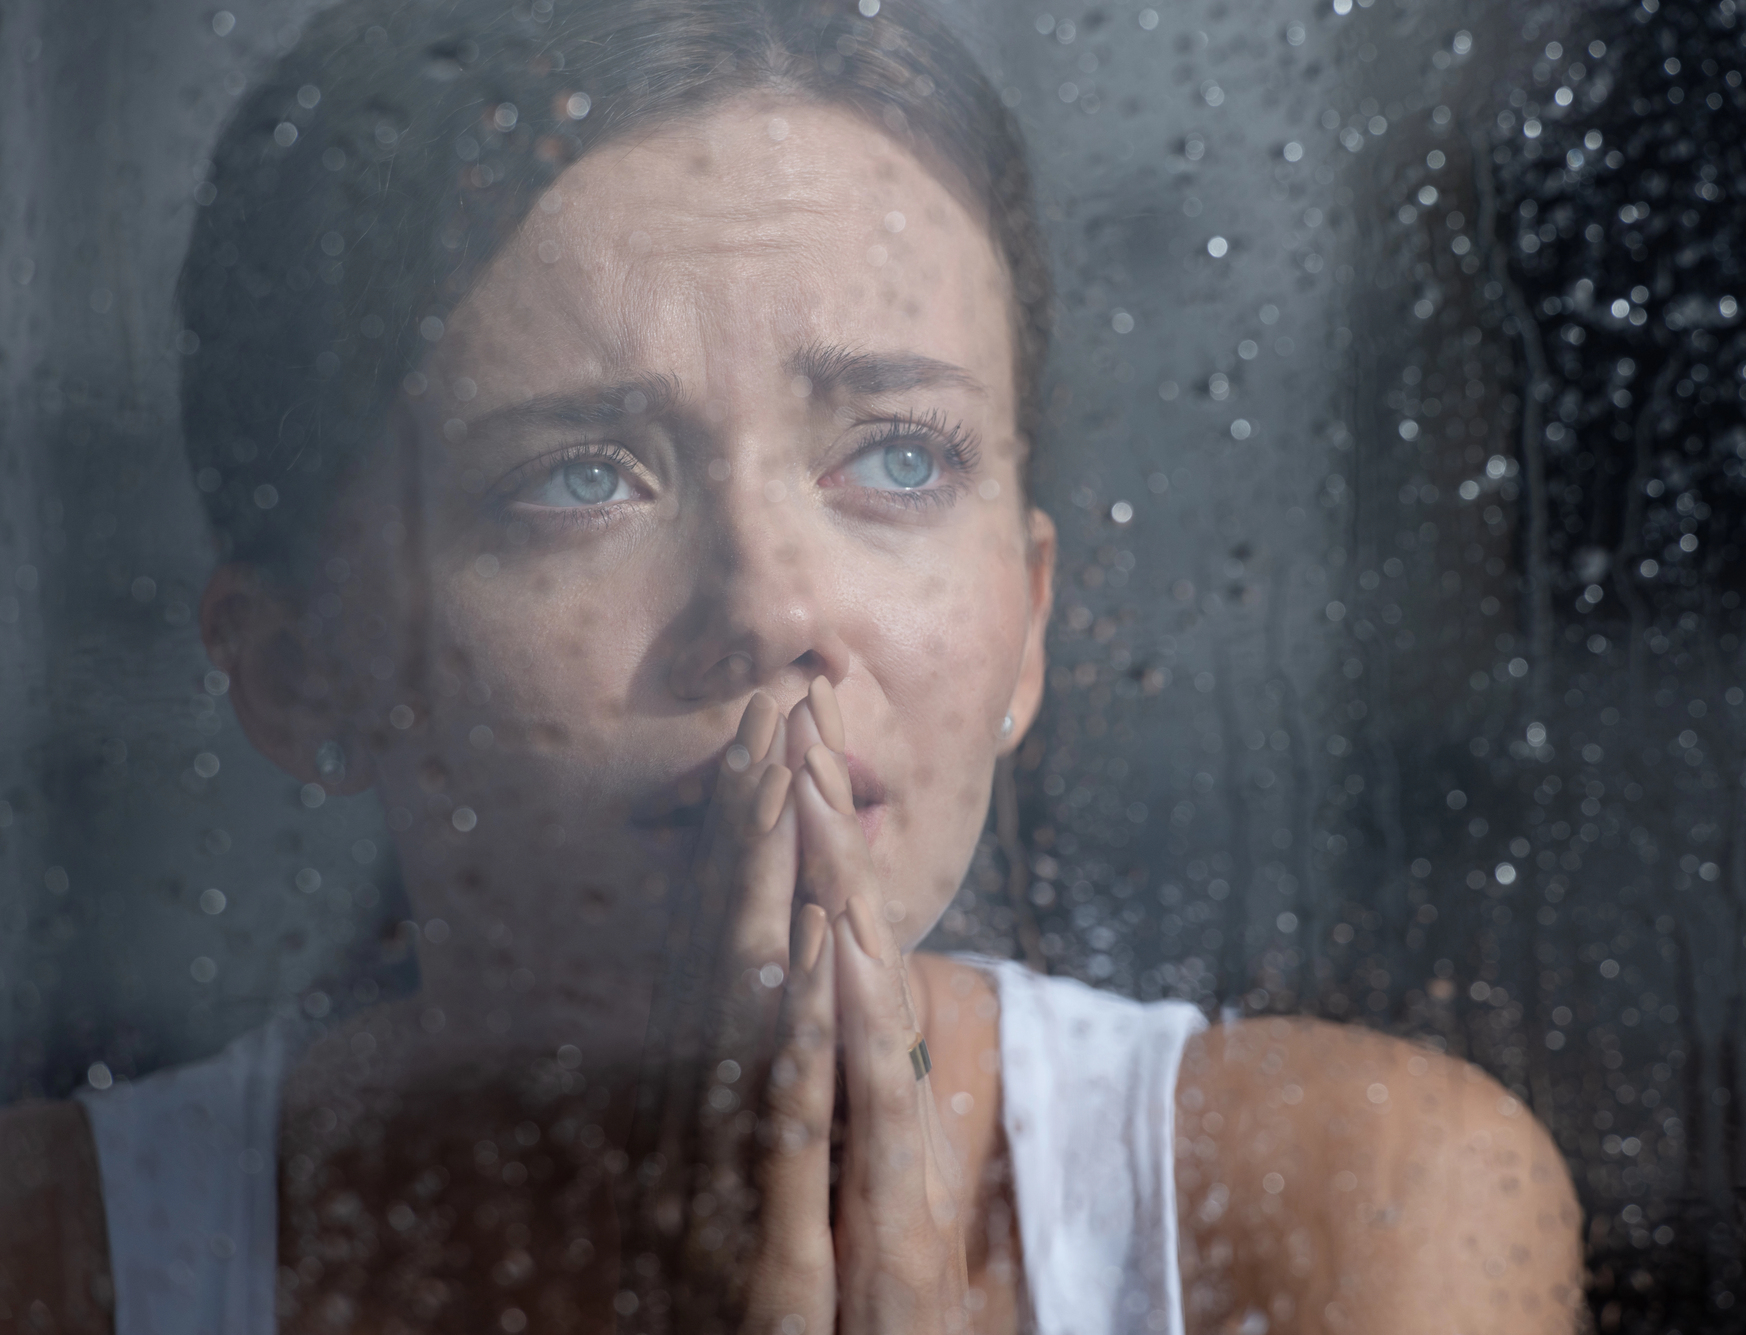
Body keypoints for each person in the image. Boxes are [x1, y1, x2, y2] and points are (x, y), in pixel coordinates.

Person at [0, 1, 1582, 1330]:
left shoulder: (1348, 1218)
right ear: (298, 671)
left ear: (1028, 620)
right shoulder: (55, 1265)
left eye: (897, 459)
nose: (774, 607)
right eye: (578, 478)